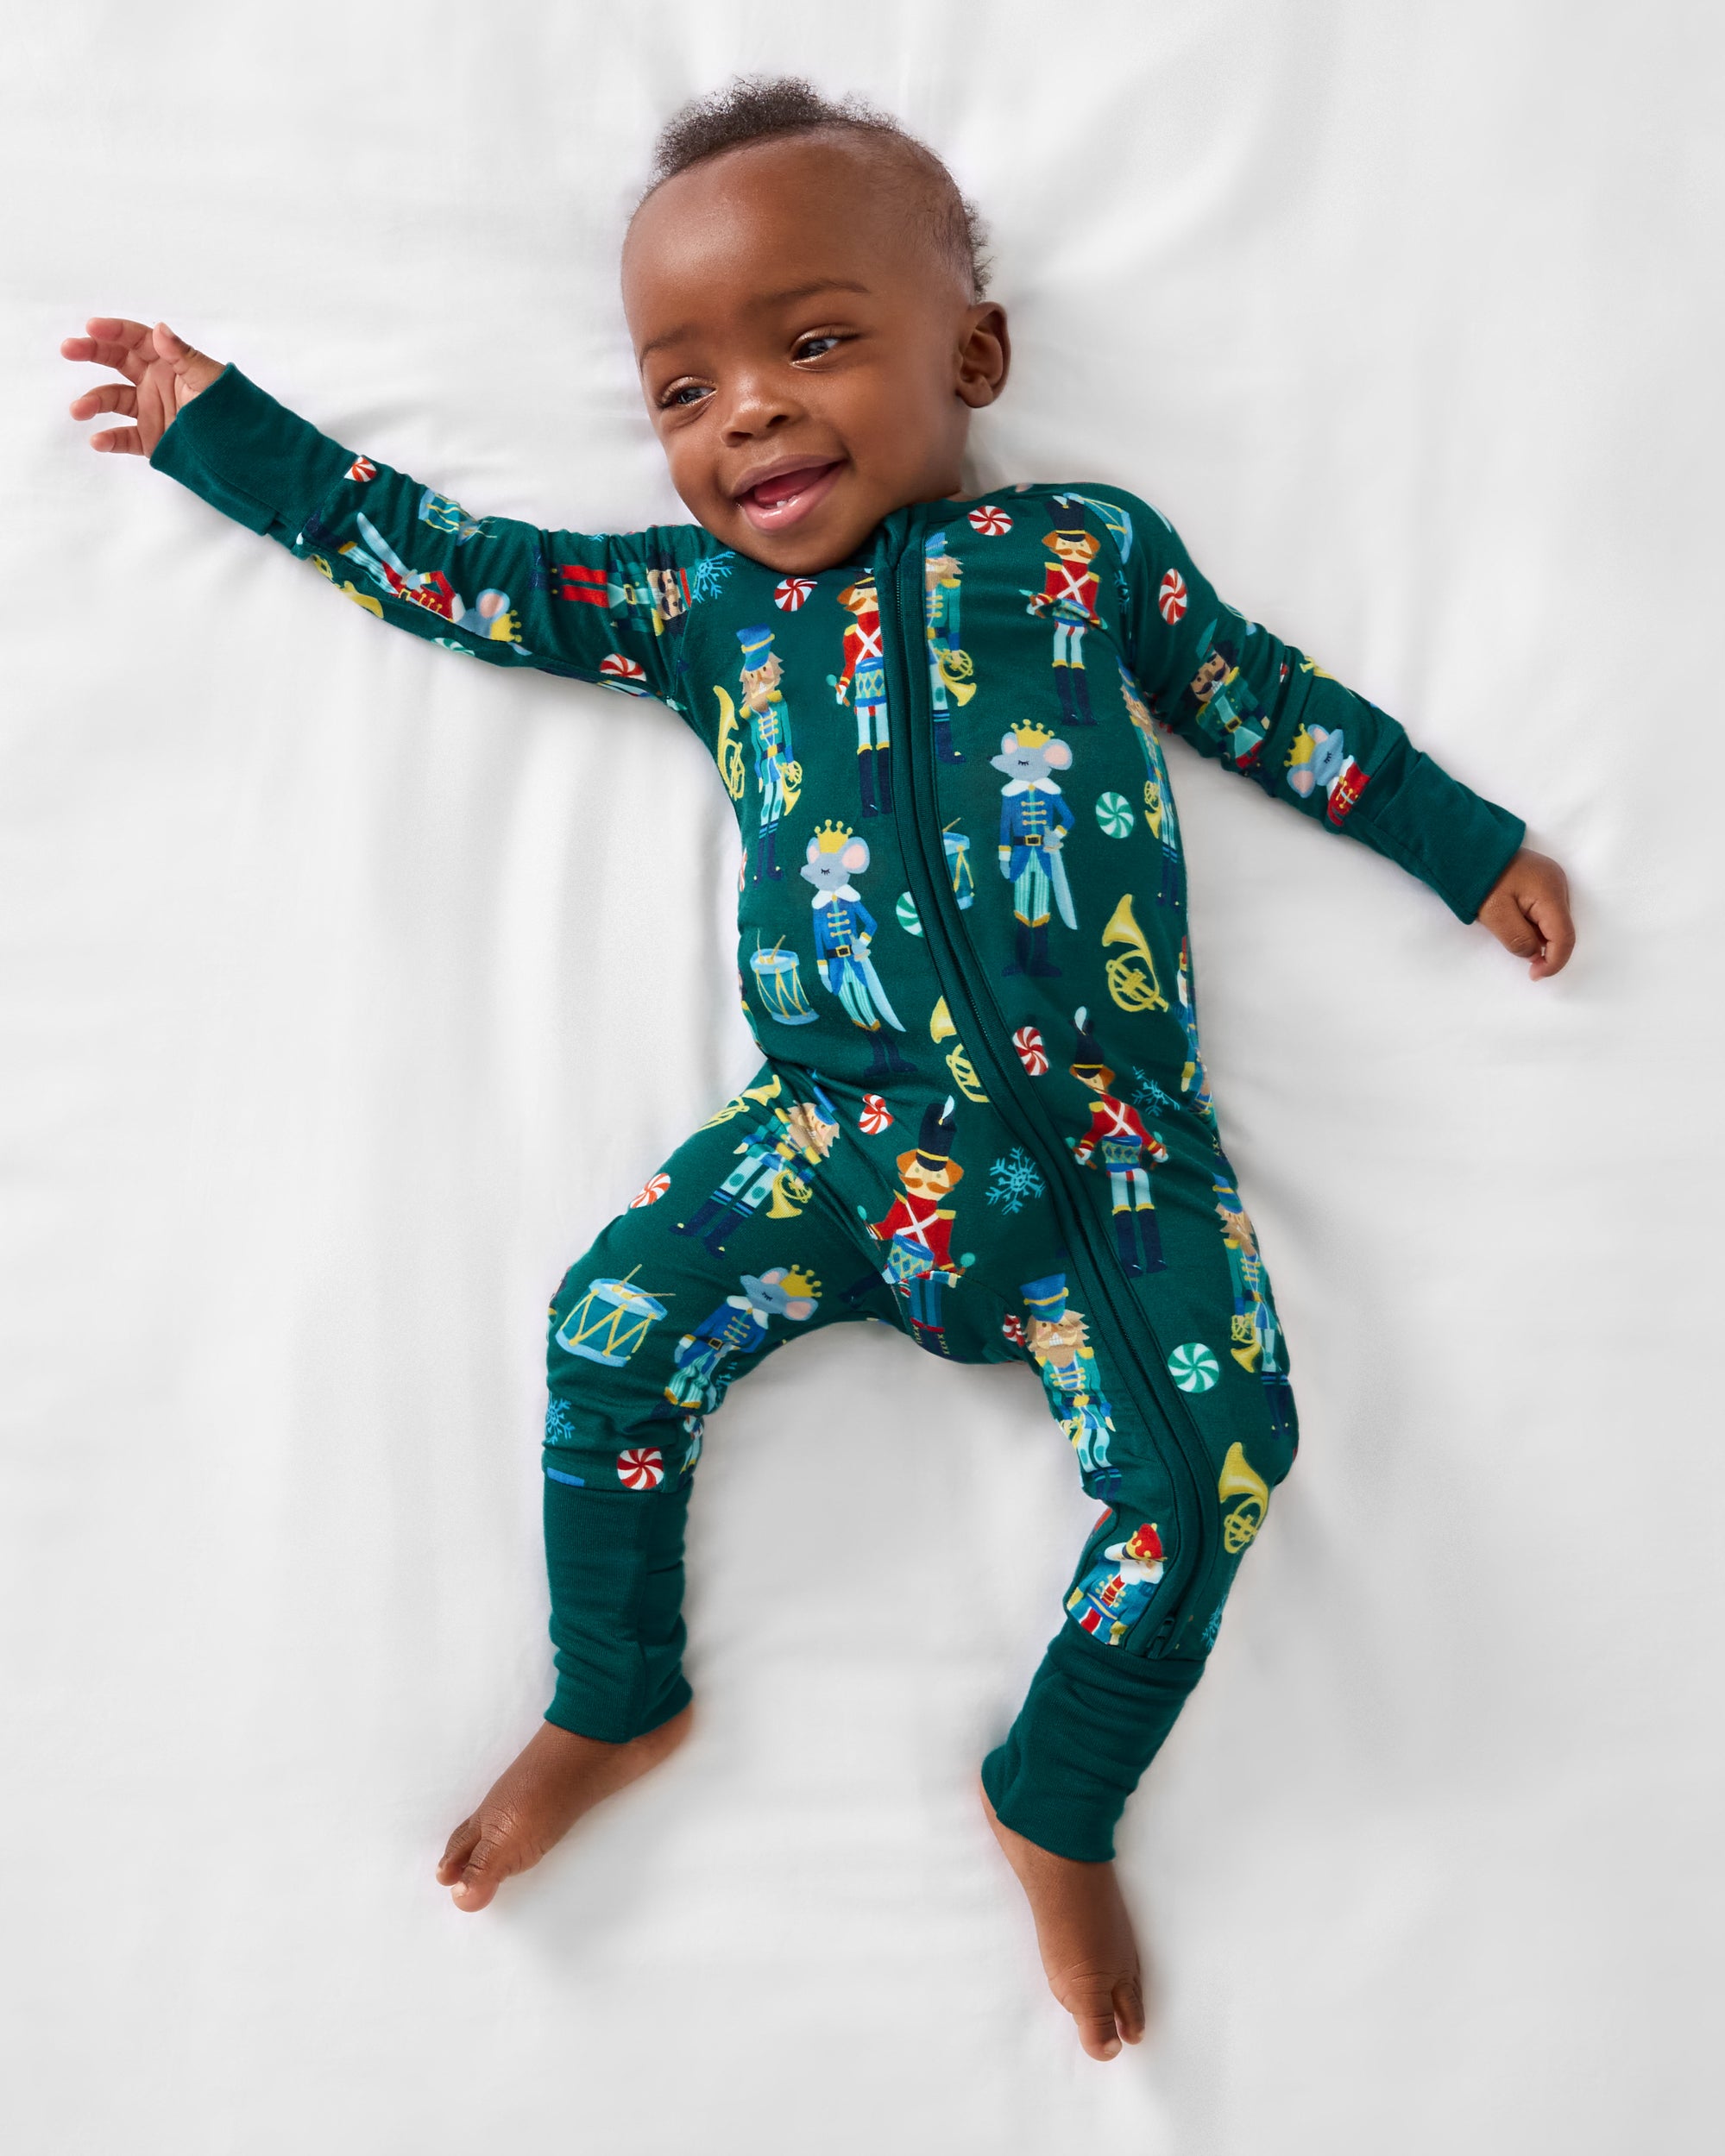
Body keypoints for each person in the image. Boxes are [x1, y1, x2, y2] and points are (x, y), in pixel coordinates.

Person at [61, 74, 1575, 2065]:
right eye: (683, 389)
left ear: (974, 357)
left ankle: (1058, 1788)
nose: (749, 414)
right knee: (606, 1331)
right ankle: (616, 1687)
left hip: (1110, 1163)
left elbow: (1263, 699)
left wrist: (1462, 845)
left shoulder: (1079, 554)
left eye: (815, 343)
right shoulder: (700, 608)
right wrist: (224, 435)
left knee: (1219, 1460)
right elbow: (462, 569)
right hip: (831, 1142)